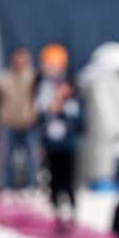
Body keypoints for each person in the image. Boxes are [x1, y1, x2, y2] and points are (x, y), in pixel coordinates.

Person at [39, 74, 83, 228]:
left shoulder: (73, 104)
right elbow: (43, 124)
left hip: (68, 148)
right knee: (54, 178)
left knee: (68, 179)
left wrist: (61, 110)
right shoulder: (50, 103)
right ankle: (56, 207)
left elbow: (78, 123)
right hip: (53, 147)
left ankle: (70, 208)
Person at [0, 46, 40, 192]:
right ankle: (8, 187)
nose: (20, 60)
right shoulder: (5, 77)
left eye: (23, 57)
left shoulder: (33, 77)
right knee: (7, 158)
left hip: (29, 122)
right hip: (9, 122)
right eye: (18, 57)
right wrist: (1, 116)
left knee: (31, 158)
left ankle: (30, 187)